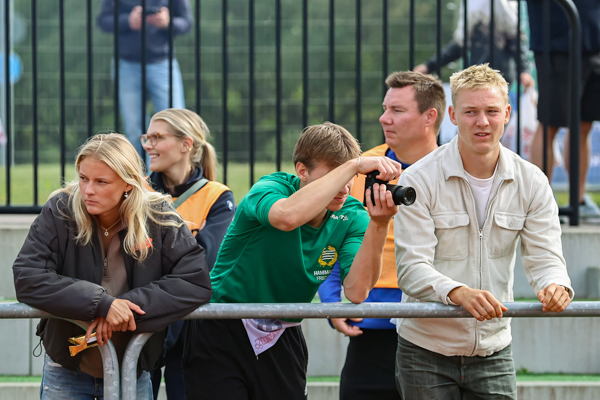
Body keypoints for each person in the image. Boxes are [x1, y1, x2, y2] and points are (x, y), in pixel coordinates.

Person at [182, 122, 402, 400]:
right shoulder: (271, 188)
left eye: (350, 176)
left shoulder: (352, 215)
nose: (346, 186)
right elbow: (286, 217)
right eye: (335, 174)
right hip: (222, 324)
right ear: (302, 171)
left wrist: (380, 224)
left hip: (282, 330)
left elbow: (357, 292)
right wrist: (353, 165)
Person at [394, 64, 573, 400]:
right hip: (425, 348)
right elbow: (411, 270)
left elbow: (546, 257)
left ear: (507, 114)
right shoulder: (418, 179)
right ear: (453, 115)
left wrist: (555, 285)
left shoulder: (532, 181)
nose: (482, 122)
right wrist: (459, 293)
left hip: (494, 347)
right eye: (470, 112)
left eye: (491, 111)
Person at [12, 133, 212, 400]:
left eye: (101, 182)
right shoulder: (60, 209)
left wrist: (124, 308)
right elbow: (27, 276)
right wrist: (101, 304)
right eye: (83, 178)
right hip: (67, 370)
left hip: (132, 369)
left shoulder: (158, 215)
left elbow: (195, 280)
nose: (88, 190)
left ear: (128, 183)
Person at [317, 71, 445, 400]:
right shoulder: (358, 168)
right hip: (370, 330)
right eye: (385, 108)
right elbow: (329, 242)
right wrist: (332, 300)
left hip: (438, 328)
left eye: (397, 110)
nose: (384, 118)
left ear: (430, 117)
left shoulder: (457, 169)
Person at [142, 108, 235, 400]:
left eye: (157, 137)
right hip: (143, 320)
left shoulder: (217, 196)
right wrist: (188, 243)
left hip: (191, 328)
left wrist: (157, 252)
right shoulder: (137, 192)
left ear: (186, 144)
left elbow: (204, 263)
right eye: (147, 137)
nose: (148, 145)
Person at [527, 0, 600, 219]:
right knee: (550, 124)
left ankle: (578, 201)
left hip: (594, 39)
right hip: (556, 40)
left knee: (584, 125)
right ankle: (540, 204)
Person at [97, 0, 192, 158]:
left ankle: (171, 172)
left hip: (163, 63)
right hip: (126, 64)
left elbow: (187, 22)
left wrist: (168, 22)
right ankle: (141, 173)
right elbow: (103, 21)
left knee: (176, 125)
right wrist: (127, 21)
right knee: (134, 129)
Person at [414, 0, 534, 88]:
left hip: (500, 74)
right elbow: (459, 45)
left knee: (496, 109)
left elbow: (516, 40)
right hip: (477, 73)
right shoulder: (471, 5)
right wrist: (429, 66)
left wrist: (524, 70)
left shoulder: (503, 5)